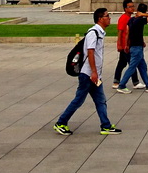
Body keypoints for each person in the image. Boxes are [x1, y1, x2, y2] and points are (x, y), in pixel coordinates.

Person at [52, 8, 122, 136]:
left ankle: (105, 125)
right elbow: (90, 52)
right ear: (100, 19)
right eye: (107, 16)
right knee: (78, 100)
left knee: (101, 100)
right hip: (88, 75)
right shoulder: (93, 33)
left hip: (95, 75)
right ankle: (61, 123)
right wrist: (94, 72)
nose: (109, 18)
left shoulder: (99, 33)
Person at [116, 3, 148, 94]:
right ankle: (122, 85)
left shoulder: (131, 20)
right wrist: (143, 15)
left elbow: (128, 33)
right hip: (137, 48)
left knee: (142, 66)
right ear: (145, 11)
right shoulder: (140, 20)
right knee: (132, 67)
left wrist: (127, 45)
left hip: (133, 46)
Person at [113, 0, 141, 90]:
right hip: (125, 46)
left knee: (122, 63)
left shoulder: (130, 18)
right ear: (125, 8)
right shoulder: (123, 18)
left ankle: (116, 81)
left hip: (128, 44)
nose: (132, 8)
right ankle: (135, 82)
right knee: (131, 63)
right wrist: (120, 44)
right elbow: (120, 32)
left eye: (133, 6)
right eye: (130, 7)